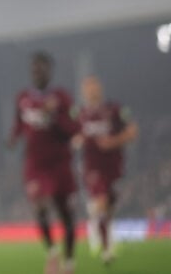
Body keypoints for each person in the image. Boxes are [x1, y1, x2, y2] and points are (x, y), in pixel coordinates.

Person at [8, 52, 80, 274]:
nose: (37, 72)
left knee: (66, 213)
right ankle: (52, 252)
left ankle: (68, 261)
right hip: (35, 164)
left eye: (41, 68)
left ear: (50, 70)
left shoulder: (61, 97)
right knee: (39, 205)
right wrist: (13, 137)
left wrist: (53, 117)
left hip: (60, 164)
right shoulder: (23, 98)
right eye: (34, 69)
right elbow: (19, 124)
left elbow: (73, 129)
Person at [74, 75, 138, 264]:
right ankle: (101, 240)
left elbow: (132, 131)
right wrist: (76, 140)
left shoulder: (115, 109)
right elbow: (71, 135)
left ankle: (102, 238)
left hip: (113, 166)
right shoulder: (79, 114)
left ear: (100, 88)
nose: (91, 91)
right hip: (92, 166)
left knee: (108, 208)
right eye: (87, 88)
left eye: (94, 86)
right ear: (83, 92)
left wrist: (113, 141)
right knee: (101, 201)